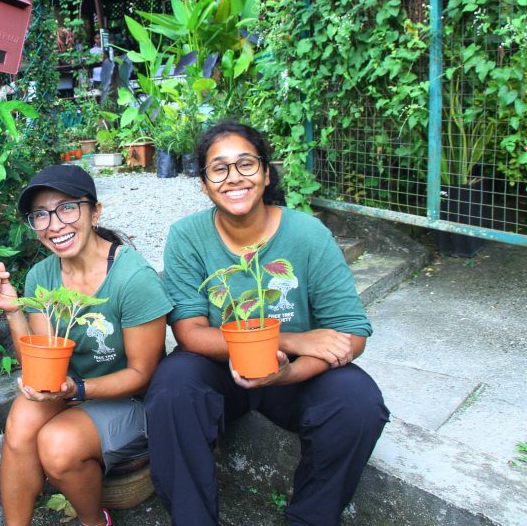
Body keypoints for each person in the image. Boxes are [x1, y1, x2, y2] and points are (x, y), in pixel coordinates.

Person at [144, 122, 389, 526]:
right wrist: (296, 340)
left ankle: (310, 519)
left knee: (358, 402)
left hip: (295, 379)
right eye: (218, 169)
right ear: (204, 184)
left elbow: (350, 333)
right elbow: (189, 332)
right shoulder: (187, 236)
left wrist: (287, 371)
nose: (234, 177)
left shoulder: (308, 234)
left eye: (245, 163)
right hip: (219, 371)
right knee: (172, 388)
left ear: (266, 173)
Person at [0, 164, 171, 526]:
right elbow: (39, 363)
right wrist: (12, 311)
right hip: (72, 392)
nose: (54, 224)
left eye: (67, 207)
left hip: (134, 404)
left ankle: (94, 521)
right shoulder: (41, 276)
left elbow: (142, 375)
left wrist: (76, 388)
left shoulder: (133, 279)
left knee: (57, 443)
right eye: (40, 215)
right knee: (21, 422)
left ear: (95, 211)